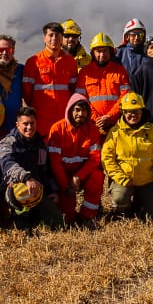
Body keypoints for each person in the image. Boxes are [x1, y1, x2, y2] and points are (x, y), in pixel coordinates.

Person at [101, 92, 153, 220]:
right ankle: (125, 209)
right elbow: (106, 159)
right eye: (129, 111)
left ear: (143, 112)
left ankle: (140, 201)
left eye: (137, 111)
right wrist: (122, 178)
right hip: (124, 180)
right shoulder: (114, 132)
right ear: (123, 112)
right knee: (120, 199)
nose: (133, 115)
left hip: (147, 180)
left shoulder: (152, 130)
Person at [0, 106, 65, 230]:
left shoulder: (41, 144)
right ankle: (17, 218)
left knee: (59, 224)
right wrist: (26, 178)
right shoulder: (7, 142)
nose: (29, 127)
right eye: (25, 124)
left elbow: (47, 171)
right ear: (17, 124)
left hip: (37, 190)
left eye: (32, 123)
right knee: (22, 229)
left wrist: (53, 191)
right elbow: (8, 164)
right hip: (14, 190)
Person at [46, 93, 105, 225]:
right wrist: (66, 185)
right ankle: (70, 215)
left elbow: (95, 158)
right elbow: (55, 163)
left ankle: (88, 216)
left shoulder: (93, 130)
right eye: (77, 109)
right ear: (70, 110)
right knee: (68, 219)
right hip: (63, 177)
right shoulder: (57, 129)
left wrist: (79, 177)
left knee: (97, 176)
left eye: (84, 110)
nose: (80, 114)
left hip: (81, 174)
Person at [21, 22, 79, 137]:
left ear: (62, 38)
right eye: (51, 35)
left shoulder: (70, 62)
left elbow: (74, 90)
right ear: (44, 38)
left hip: (64, 119)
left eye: (57, 35)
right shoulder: (33, 62)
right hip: (42, 121)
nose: (54, 39)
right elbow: (27, 93)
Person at [77, 32, 132, 134]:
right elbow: (81, 98)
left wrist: (110, 117)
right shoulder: (84, 73)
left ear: (111, 52)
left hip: (116, 125)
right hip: (92, 125)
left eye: (105, 51)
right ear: (93, 53)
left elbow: (125, 97)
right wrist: (97, 119)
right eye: (98, 51)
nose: (101, 55)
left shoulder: (120, 71)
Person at [0, 34, 25, 147]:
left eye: (8, 49)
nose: (4, 53)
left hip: (14, 128)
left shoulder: (21, 70)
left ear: (13, 51)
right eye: (0, 49)